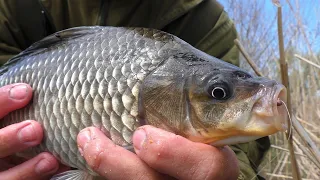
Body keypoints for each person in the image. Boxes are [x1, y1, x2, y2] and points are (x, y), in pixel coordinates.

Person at [0, 0, 270, 179]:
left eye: (219, 92)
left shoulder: (204, 20)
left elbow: (242, 153)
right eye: (219, 92)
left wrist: (226, 174)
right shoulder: (13, 6)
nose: (219, 94)